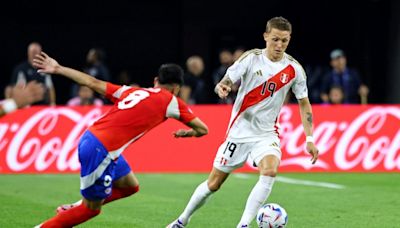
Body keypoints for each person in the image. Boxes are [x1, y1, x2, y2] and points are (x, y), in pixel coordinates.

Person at [167, 16, 319, 228]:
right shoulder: (251, 59)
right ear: (266, 36)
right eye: (275, 39)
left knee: (270, 171)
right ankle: (182, 220)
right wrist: (223, 87)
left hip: (266, 134)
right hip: (239, 132)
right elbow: (227, 80)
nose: (279, 45)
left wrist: (309, 138)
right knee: (214, 184)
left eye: (284, 40)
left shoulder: (294, 69)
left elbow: (304, 103)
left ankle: (244, 225)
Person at [32, 52, 209, 228]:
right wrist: (186, 133)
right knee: (91, 210)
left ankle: (75, 206)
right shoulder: (171, 101)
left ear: (156, 80)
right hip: (102, 150)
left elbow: (91, 82)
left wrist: (58, 68)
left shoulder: (131, 91)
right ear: (176, 88)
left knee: (129, 186)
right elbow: (203, 129)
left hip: (92, 139)